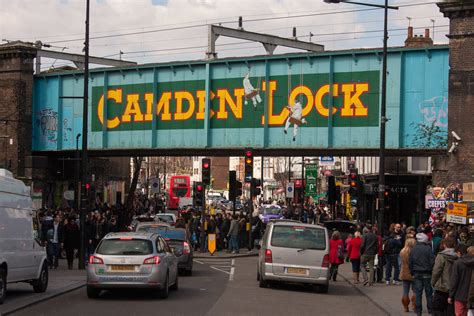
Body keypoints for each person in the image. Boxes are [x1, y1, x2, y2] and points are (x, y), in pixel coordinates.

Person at [409, 233, 434, 316]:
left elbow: (410, 262)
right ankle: (430, 309)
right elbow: (432, 261)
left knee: (418, 293)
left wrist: (412, 272)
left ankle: (419, 311)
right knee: (429, 293)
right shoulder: (428, 249)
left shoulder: (413, 249)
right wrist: (431, 270)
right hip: (427, 273)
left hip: (417, 273)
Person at [432, 236, 458, 316]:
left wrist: (433, 282)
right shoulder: (458, 256)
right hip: (454, 288)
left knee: (438, 309)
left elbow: (436, 271)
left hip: (441, 287)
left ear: (444, 245)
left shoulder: (441, 256)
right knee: (450, 310)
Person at [449, 246, 474, 316]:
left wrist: (451, 295)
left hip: (459, 294)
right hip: (471, 294)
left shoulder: (457, 263)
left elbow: (454, 280)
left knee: (459, 313)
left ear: (459, 253)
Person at [400, 238, 417, 312]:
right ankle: (414, 306)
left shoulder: (402, 251)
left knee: (405, 291)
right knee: (416, 291)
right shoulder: (415, 252)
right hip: (414, 272)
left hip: (404, 272)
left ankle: (405, 307)